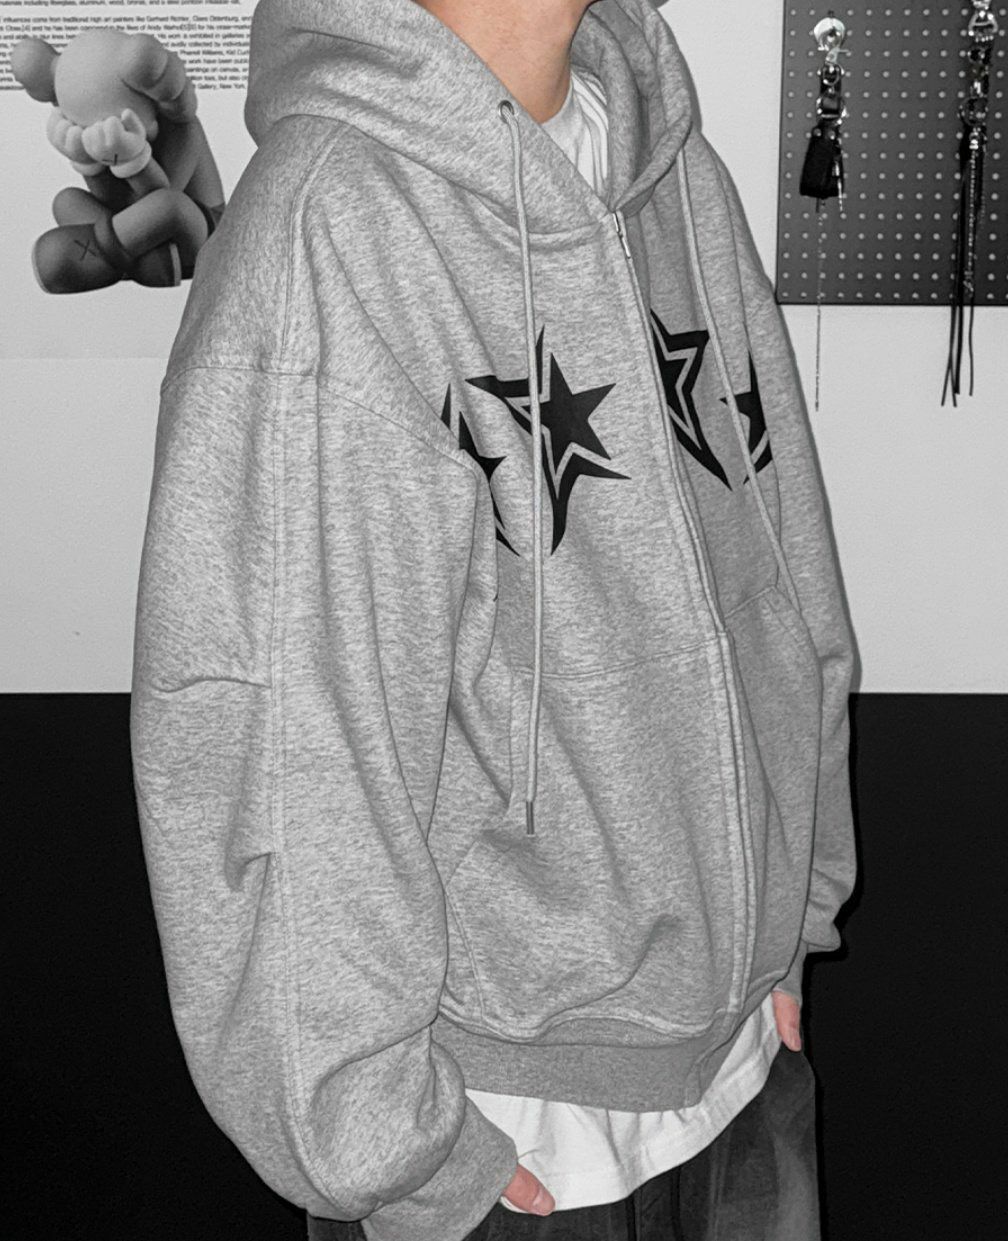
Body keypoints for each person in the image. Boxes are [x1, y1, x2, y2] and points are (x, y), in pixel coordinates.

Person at [129, 1, 857, 1239]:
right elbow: (282, 733)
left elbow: (783, 570)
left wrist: (794, 910)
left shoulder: (671, 169)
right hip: (510, 1134)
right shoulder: (336, 221)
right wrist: (382, 1139)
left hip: (742, 1071)